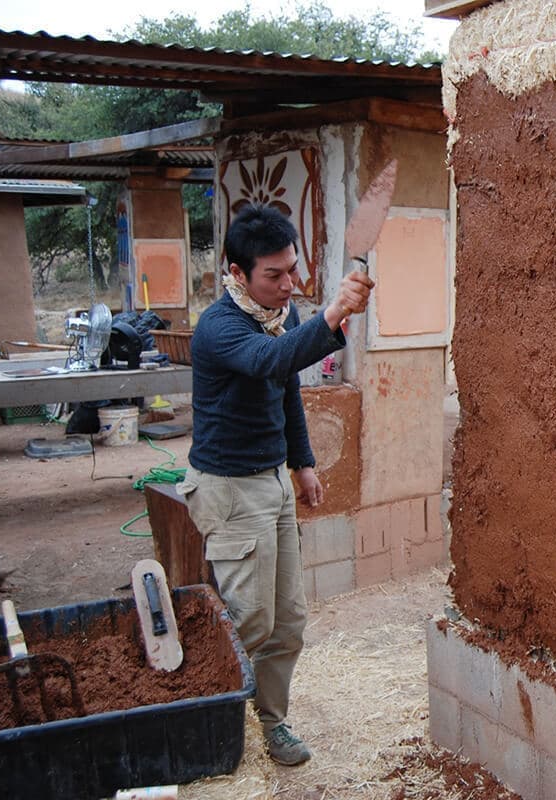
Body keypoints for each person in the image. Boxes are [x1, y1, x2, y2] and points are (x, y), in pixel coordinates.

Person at [178, 203, 373, 765]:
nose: (289, 285)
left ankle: (271, 722)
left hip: (272, 482)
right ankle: (209, 721)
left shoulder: (274, 314)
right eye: (274, 274)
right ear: (237, 273)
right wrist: (334, 312)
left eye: (292, 270)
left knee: (286, 621)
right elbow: (270, 361)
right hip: (230, 491)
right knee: (247, 621)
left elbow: (285, 383)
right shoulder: (220, 328)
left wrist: (303, 461)